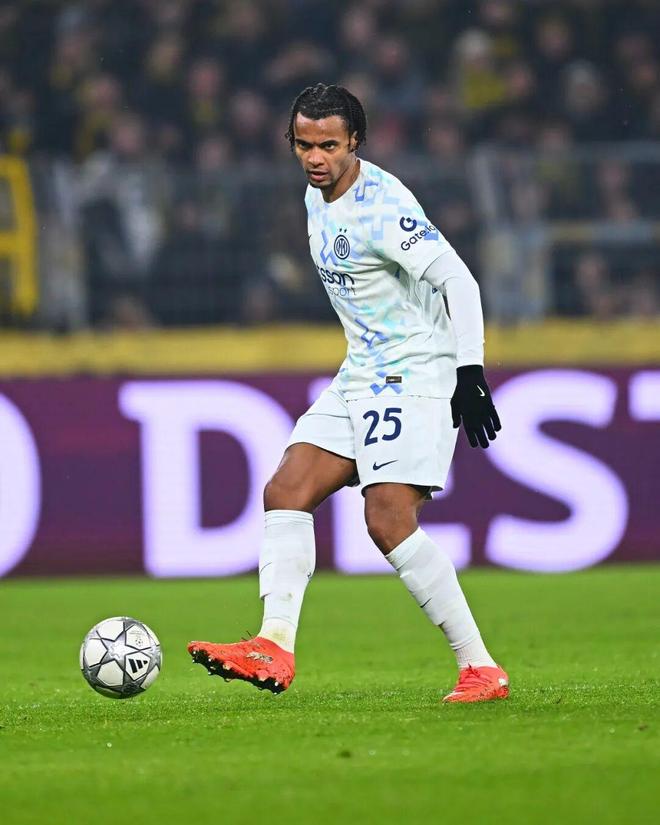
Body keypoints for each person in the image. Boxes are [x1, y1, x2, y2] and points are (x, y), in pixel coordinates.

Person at [188, 83, 508, 703]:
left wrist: (470, 373)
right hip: (362, 370)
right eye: (304, 144)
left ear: (355, 141)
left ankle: (480, 668)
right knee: (286, 490)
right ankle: (273, 644)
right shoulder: (317, 195)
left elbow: (460, 282)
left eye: (329, 146)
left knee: (387, 519)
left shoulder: (383, 206)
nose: (315, 158)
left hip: (415, 371)